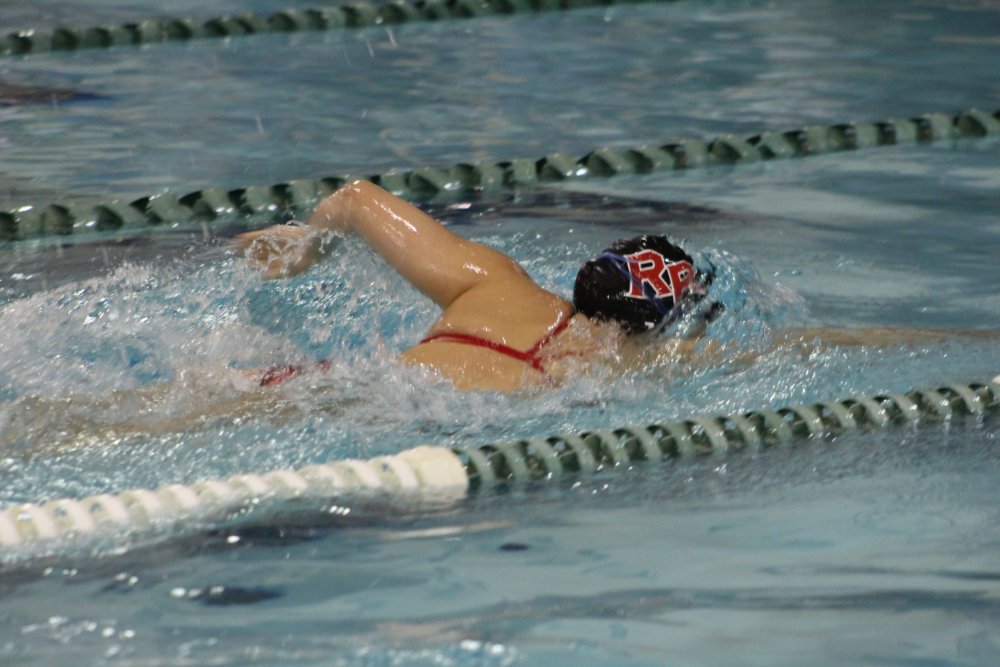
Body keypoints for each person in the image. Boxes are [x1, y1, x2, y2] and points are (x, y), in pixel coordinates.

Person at [233, 180, 719, 392]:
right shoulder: (630, 363)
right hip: (366, 416)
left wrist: (301, 253)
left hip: (304, 380)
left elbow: (357, 200)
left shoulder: (498, 282)